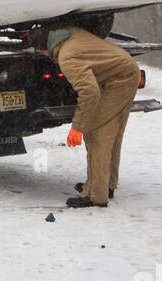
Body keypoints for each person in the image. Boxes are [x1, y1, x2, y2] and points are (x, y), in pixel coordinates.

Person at [40, 24, 140, 208]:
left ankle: (95, 195)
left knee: (96, 135)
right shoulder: (70, 33)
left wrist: (77, 128)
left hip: (119, 79)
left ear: (45, 48)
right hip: (126, 70)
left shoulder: (67, 57)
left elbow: (90, 93)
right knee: (112, 134)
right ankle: (106, 184)